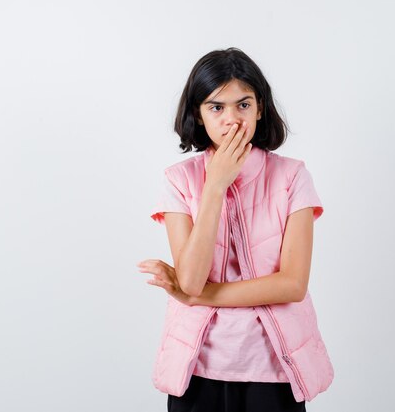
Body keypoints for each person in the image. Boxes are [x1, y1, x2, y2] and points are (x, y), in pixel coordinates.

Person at [138, 47, 334, 412]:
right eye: (216, 107)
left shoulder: (292, 176)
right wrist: (214, 186)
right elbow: (192, 279)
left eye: (243, 105)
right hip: (197, 371)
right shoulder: (179, 180)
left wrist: (197, 296)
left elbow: (292, 284)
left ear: (260, 108)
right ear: (198, 114)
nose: (232, 120)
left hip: (274, 371)